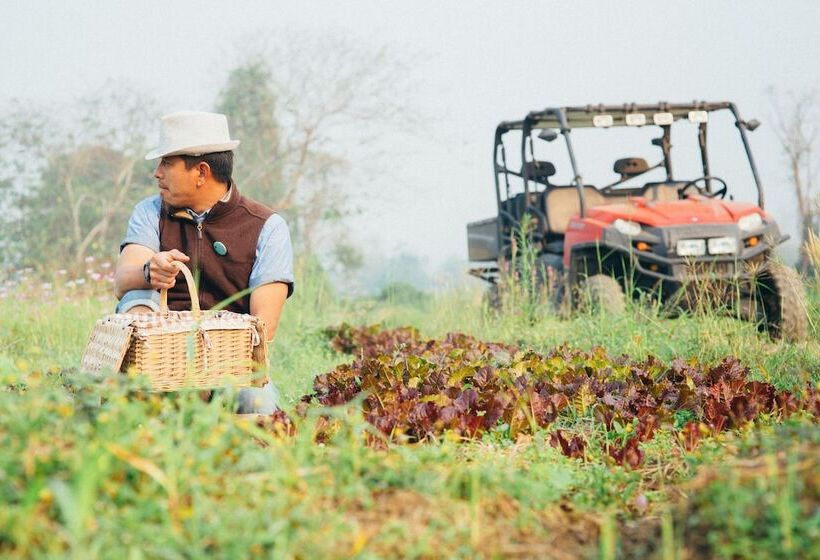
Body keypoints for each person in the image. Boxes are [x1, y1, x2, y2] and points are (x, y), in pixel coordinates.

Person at [113, 111, 293, 413]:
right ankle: (142, 398)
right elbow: (122, 282)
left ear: (201, 172)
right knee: (137, 296)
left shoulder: (267, 227)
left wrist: (206, 373)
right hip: (160, 359)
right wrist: (150, 271)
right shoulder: (149, 212)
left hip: (230, 362)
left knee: (258, 402)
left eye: (167, 163)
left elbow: (265, 328)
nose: (157, 173)